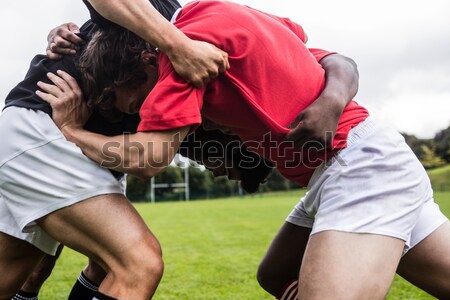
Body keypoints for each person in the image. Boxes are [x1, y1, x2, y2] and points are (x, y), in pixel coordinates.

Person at [38, 1, 450, 299]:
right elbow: (323, 52)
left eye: (134, 100)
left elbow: (149, 158)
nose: (143, 110)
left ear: (145, 61)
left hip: (360, 167)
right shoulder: (216, 10)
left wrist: (72, 131)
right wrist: (333, 97)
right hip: (352, 163)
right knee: (275, 274)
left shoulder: (180, 64)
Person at [0, 0, 233, 299]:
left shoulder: (184, 38)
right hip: (43, 129)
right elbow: (148, 160)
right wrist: (178, 46)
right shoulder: (169, 25)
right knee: (138, 263)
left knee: (21, 272)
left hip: (76, 144)